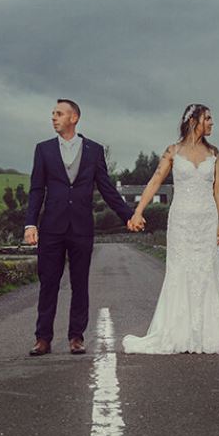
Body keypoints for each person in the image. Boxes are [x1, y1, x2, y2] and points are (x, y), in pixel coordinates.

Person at [24, 98, 135, 356]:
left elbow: (106, 188)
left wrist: (128, 216)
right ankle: (43, 338)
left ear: (74, 118)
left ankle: (76, 337)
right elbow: (37, 189)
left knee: (80, 283)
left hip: (81, 227)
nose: (53, 118)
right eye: (53, 114)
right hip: (51, 227)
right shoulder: (43, 149)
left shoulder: (94, 150)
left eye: (59, 114)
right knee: (48, 283)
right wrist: (30, 223)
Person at [122, 103, 219, 354]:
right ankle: (178, 333)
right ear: (193, 121)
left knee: (205, 273)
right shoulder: (173, 151)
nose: (212, 123)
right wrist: (138, 211)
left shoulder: (214, 152)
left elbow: (218, 188)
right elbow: (155, 181)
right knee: (180, 272)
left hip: (206, 222)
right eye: (207, 118)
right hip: (181, 222)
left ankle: (205, 335)